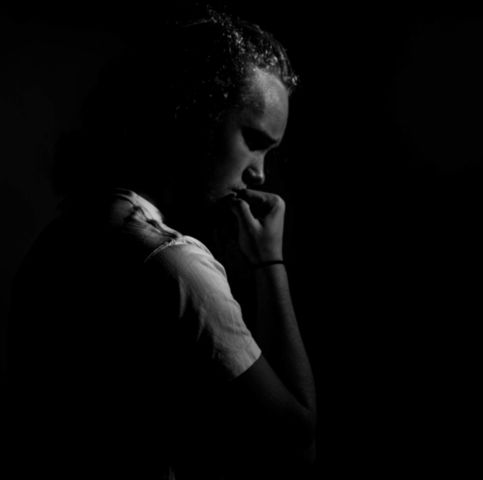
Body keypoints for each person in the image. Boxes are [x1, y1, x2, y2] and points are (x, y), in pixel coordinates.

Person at [8, 7, 316, 480]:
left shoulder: (66, 233)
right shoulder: (174, 264)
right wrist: (269, 263)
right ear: (193, 114)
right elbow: (296, 445)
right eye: (253, 141)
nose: (259, 173)